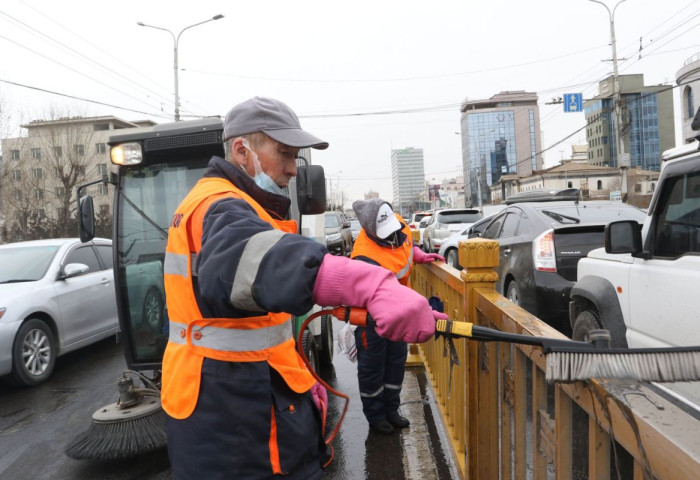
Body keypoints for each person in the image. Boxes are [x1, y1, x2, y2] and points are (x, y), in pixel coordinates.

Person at [161, 96, 447, 479]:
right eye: (285, 154)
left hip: (242, 401)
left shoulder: (237, 204)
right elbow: (262, 261)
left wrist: (296, 380)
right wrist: (373, 288)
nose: (293, 169)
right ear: (242, 150)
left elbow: (253, 322)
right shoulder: (221, 206)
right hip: (234, 422)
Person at [350, 199, 445, 435]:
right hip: (372, 319)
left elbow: (406, 244)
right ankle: (375, 415)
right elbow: (375, 296)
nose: (391, 233)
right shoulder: (363, 256)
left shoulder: (398, 224)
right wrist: (424, 312)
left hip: (399, 313)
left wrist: (420, 255)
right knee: (373, 367)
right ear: (370, 231)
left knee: (395, 361)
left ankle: (392, 409)